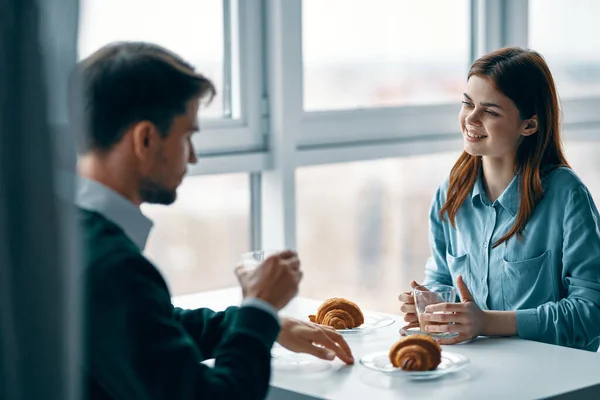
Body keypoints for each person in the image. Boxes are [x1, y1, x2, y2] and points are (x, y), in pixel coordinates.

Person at [68, 41, 354, 400]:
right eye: (187, 136)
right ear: (145, 139)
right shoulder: (113, 265)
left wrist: (263, 326)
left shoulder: (62, 234)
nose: (193, 157)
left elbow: (148, 327)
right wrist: (260, 307)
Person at [398, 47, 600, 351]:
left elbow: (590, 315)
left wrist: (486, 323)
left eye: (490, 111)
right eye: (467, 104)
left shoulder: (566, 195)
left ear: (529, 124)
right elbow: (442, 279)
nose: (471, 119)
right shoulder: (450, 194)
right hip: (475, 373)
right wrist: (433, 308)